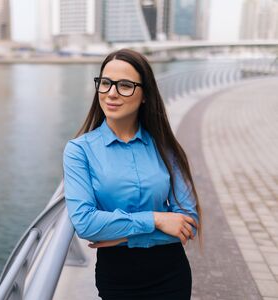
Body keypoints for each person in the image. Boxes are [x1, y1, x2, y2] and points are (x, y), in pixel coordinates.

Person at [62, 48, 202, 300]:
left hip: (171, 276)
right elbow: (85, 223)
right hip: (118, 280)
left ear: (145, 95)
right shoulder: (79, 151)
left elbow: (188, 222)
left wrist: (122, 236)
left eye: (125, 85)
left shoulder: (165, 146)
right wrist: (158, 220)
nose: (112, 93)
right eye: (105, 83)